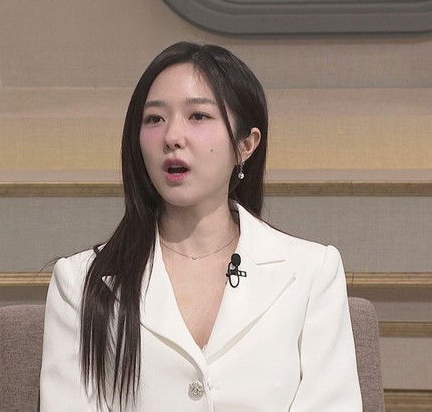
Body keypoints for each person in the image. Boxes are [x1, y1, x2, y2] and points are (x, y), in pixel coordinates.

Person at [40, 42, 362, 411]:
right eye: (154, 119)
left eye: (198, 116)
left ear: (246, 144)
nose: (172, 137)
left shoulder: (311, 272)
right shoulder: (80, 282)